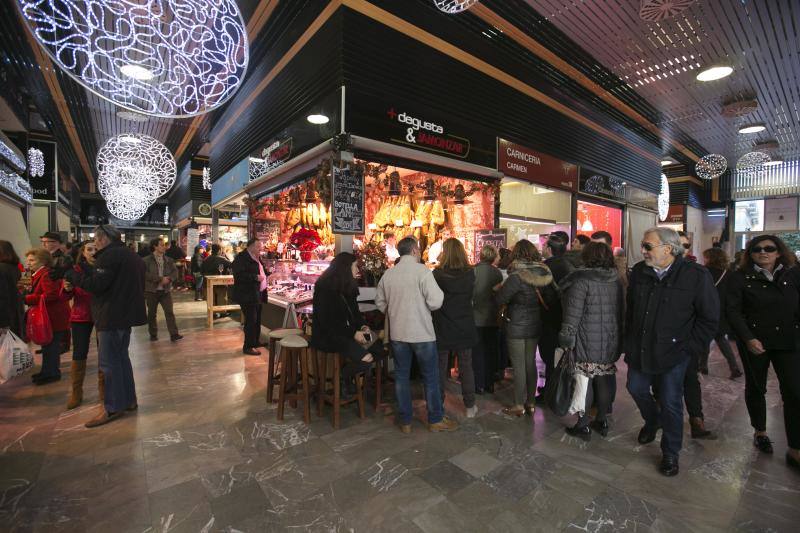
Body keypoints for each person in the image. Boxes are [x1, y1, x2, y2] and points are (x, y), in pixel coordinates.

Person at [625, 227, 719, 476]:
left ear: (668, 249)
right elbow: (631, 309)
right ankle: (652, 420)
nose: (643, 250)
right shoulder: (640, 273)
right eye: (643, 245)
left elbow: (709, 318)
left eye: (648, 246)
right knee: (635, 387)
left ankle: (670, 452)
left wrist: (690, 349)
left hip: (675, 352)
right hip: (641, 347)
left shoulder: (695, 275)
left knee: (670, 401)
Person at [727, 235, 800, 470]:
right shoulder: (740, 277)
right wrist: (748, 337)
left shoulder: (793, 273)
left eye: (769, 248)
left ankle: (795, 447)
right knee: (756, 386)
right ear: (751, 253)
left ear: (779, 252)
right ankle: (760, 431)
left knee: (794, 391)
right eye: (757, 249)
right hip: (756, 342)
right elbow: (733, 311)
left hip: (789, 340)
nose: (763, 252)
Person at [65, 224, 146, 428]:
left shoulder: (108, 256)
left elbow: (97, 285)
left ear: (103, 239)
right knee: (121, 360)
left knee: (110, 364)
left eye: (97, 240)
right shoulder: (131, 255)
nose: (96, 244)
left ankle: (112, 407)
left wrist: (73, 276)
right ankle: (128, 400)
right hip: (125, 315)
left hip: (111, 316)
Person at [375, 237, 457, 433]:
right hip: (422, 333)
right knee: (430, 377)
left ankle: (405, 422)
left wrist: (394, 310)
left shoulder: (389, 274)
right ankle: (435, 419)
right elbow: (436, 301)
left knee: (401, 376)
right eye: (418, 249)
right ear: (413, 251)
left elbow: (380, 302)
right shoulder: (422, 271)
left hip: (398, 333)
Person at [560, 242, 624, 440]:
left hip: (586, 338)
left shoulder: (582, 280)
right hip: (609, 338)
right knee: (604, 378)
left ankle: (583, 424)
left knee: (584, 381)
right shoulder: (616, 280)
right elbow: (621, 312)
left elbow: (572, 315)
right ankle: (602, 419)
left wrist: (566, 339)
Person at [495, 239, 554, 417]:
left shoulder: (516, 277)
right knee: (531, 363)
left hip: (516, 325)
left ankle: (519, 404)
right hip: (536, 324)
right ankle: (531, 402)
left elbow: (500, 300)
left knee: (519, 365)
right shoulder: (544, 274)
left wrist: (499, 289)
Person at [311, 253, 384, 395]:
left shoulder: (348, 287)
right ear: (345, 268)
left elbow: (355, 314)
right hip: (330, 336)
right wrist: (354, 333)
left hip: (347, 333)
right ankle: (341, 377)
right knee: (366, 359)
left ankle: (347, 380)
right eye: (356, 266)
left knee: (378, 349)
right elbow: (328, 323)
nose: (358, 270)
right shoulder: (325, 288)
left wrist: (363, 326)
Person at [433, 238, 479, 418]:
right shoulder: (471, 274)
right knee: (466, 366)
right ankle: (470, 406)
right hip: (464, 324)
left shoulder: (437, 274)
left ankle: (438, 405)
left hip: (443, 324)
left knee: (440, 367)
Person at [23, 248, 71, 385]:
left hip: (53, 316)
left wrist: (27, 298)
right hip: (51, 315)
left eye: (32, 260)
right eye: (28, 260)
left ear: (42, 261)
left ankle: (51, 373)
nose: (29, 263)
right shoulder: (40, 274)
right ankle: (47, 372)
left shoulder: (46, 274)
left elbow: (51, 295)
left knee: (51, 346)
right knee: (48, 346)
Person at [62, 241, 98, 409]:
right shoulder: (76, 270)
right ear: (83, 253)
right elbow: (65, 296)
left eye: (96, 249)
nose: (92, 252)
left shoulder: (105, 268)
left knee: (105, 353)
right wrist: (68, 289)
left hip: (102, 315)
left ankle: (104, 390)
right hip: (81, 314)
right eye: (89, 249)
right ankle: (76, 392)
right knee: (79, 354)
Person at [539, 234, 573, 400]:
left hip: (548, 317)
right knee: (559, 356)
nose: (542, 248)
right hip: (565, 316)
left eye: (544, 246)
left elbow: (541, 294)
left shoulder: (545, 268)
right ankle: (560, 390)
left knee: (549, 355)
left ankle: (551, 393)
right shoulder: (569, 265)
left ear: (550, 249)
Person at [701, 248, 743, 379]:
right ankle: (734, 366)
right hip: (721, 312)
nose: (704, 259)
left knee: (704, 340)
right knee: (721, 340)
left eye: (706, 257)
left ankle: (702, 366)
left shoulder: (703, 272)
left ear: (711, 258)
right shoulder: (729, 273)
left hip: (706, 310)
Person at [472, 244, 503, 394]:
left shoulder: (473, 271)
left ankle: (478, 384)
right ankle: (490, 383)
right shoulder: (497, 273)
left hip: (475, 317)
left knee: (477, 351)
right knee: (491, 350)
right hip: (492, 316)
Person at [232, 238, 267, 355]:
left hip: (258, 294)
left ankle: (255, 341)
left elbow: (262, 272)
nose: (260, 250)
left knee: (257, 320)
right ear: (250, 246)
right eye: (258, 247)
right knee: (251, 321)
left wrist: (269, 275)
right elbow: (239, 276)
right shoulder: (241, 258)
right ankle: (248, 346)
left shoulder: (256, 258)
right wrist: (255, 277)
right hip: (247, 295)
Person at [143, 238, 182, 342]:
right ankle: (153, 334)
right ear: (155, 246)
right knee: (152, 314)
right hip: (151, 291)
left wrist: (169, 279)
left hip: (165, 291)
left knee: (169, 312)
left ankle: (174, 334)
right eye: (161, 245)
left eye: (164, 245)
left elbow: (175, 272)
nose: (164, 247)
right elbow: (144, 274)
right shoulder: (146, 260)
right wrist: (160, 279)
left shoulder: (168, 260)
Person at [0, 240, 24, 337]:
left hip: (4, 316)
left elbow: (2, 296)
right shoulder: (14, 268)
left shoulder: (1, 268)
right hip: (14, 312)